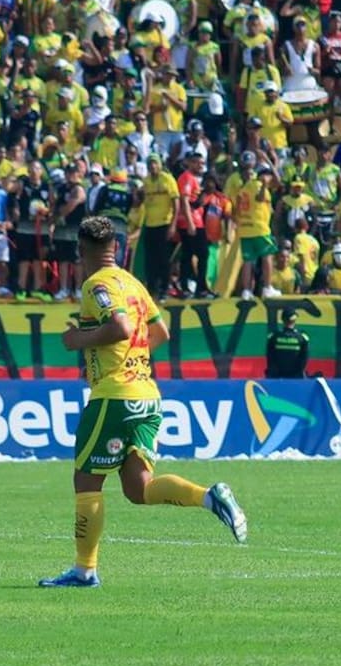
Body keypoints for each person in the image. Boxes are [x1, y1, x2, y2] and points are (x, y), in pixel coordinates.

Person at [39, 217, 247, 589]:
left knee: (87, 482)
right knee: (139, 489)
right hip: (148, 396)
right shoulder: (133, 283)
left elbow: (118, 327)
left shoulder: (96, 284)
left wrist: (79, 341)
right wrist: (129, 356)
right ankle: (208, 497)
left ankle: (84, 571)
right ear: (116, 248)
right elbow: (161, 332)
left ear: (81, 251)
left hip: (114, 398)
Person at [265, 308, 310, 378]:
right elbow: (304, 359)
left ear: (282, 320)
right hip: (296, 377)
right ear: (294, 320)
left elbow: (270, 358)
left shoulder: (273, 336)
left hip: (277, 377)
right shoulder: (302, 337)